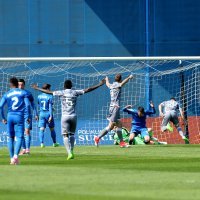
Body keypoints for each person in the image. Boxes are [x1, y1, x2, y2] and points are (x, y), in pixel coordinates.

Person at [32, 79, 105, 160]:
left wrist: (37, 88)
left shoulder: (61, 92)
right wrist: (99, 84)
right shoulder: (75, 92)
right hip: (73, 116)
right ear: (71, 86)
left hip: (65, 116)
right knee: (72, 135)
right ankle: (72, 150)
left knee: (65, 135)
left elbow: (49, 92)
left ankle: (69, 153)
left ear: (64, 86)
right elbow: (88, 89)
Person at [94, 74, 133, 148]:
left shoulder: (111, 85)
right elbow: (123, 83)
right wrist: (129, 77)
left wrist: (106, 79)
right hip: (115, 107)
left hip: (113, 107)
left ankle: (121, 143)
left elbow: (107, 84)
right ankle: (98, 138)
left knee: (118, 124)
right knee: (111, 126)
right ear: (120, 79)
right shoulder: (118, 85)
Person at [0, 77, 31, 165]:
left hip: (10, 116)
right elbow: (28, 105)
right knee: (20, 137)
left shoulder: (7, 94)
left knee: (10, 137)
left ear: (10, 84)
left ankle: (11, 159)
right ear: (17, 84)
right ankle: (15, 157)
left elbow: (0, 106)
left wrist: (3, 117)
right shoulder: (23, 92)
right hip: (19, 116)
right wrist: (28, 116)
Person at [18, 79, 38, 155]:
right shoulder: (15, 93)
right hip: (18, 115)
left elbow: (33, 104)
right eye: (19, 85)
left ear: (24, 85)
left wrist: (36, 113)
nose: (20, 86)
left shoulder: (28, 93)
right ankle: (23, 149)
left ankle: (27, 149)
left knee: (27, 131)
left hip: (27, 115)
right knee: (20, 132)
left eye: (22, 85)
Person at [37, 84, 59, 148]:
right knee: (52, 129)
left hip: (41, 113)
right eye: (49, 89)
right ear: (47, 89)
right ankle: (54, 143)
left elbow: (40, 105)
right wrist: (51, 116)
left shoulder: (39, 96)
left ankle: (41, 143)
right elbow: (49, 107)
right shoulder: (50, 96)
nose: (50, 90)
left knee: (41, 129)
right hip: (48, 114)